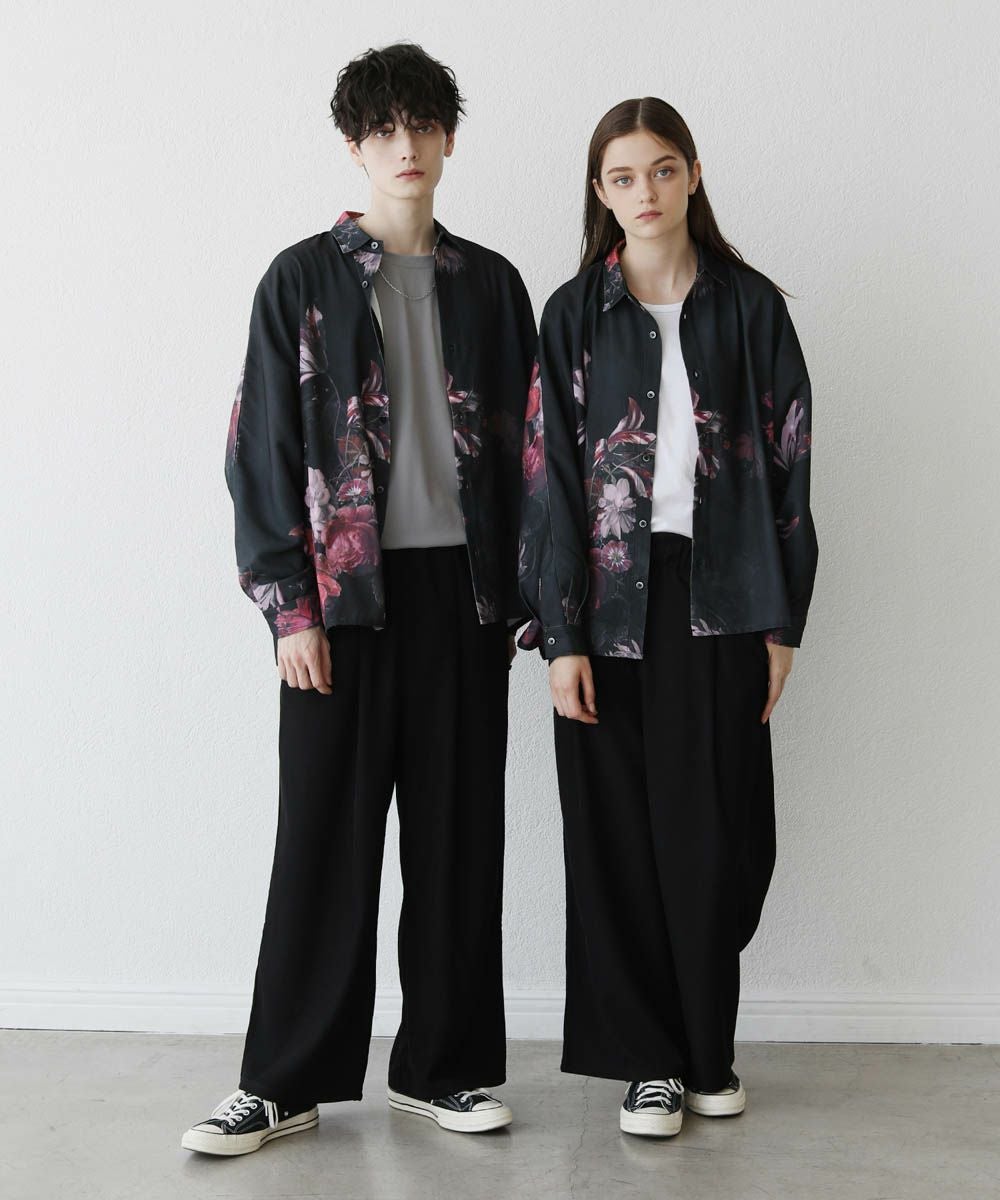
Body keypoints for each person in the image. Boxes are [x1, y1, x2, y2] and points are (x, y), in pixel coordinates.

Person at [182, 42, 536, 1156]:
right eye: (383, 129)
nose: (405, 146)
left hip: (465, 601)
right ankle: (282, 1082)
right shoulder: (301, 280)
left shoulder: (493, 285)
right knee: (323, 842)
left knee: (457, 840)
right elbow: (259, 450)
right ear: (354, 145)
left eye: (422, 125)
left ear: (448, 137)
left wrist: (534, 603)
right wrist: (288, 606)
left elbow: (534, 455)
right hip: (343, 603)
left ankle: (445, 1069)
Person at [517, 96, 819, 1138]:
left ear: (692, 174)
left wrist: (783, 621)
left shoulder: (750, 307)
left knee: (720, 835)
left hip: (723, 594)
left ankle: (706, 1051)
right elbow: (548, 482)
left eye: (660, 170)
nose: (643, 192)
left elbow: (791, 466)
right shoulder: (573, 315)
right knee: (615, 836)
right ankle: (649, 1064)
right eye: (621, 177)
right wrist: (559, 635)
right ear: (599, 193)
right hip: (605, 597)